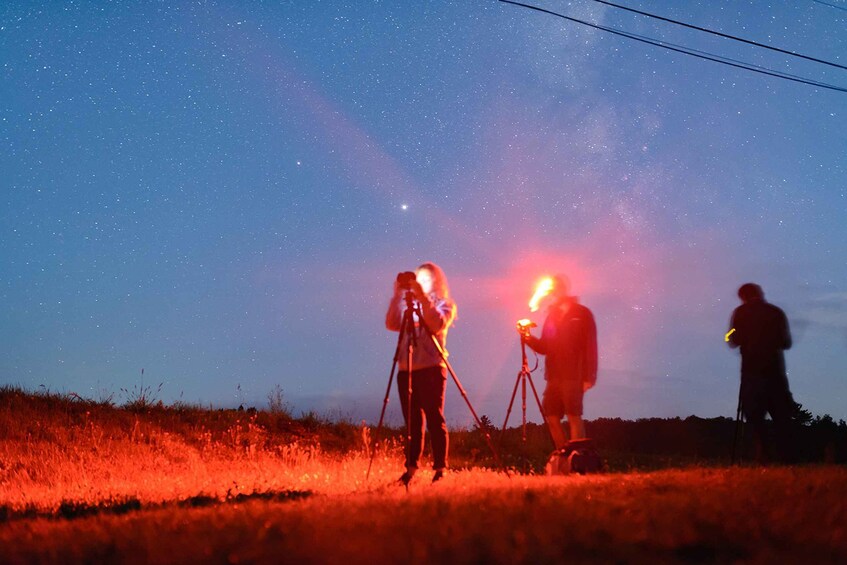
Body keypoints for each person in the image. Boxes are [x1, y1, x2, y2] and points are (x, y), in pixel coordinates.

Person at [385, 262, 457, 485]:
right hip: (406, 370)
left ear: (436, 282)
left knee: (435, 418)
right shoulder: (409, 306)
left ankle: (440, 468)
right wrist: (397, 296)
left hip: (432, 369)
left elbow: (436, 324)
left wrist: (423, 299)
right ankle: (411, 468)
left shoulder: (444, 304)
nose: (420, 283)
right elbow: (391, 323)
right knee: (412, 423)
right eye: (418, 279)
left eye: (425, 280)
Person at [522, 275, 597, 449]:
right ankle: (564, 455)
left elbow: (590, 345)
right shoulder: (552, 316)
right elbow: (545, 346)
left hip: (574, 374)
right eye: (552, 290)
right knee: (551, 415)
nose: (553, 293)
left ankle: (578, 458)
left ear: (563, 289)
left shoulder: (582, 313)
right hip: (554, 375)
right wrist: (527, 337)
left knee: (573, 414)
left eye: (556, 288)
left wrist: (589, 376)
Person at [727, 282, 795, 463]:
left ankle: (764, 455)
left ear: (743, 297)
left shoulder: (740, 313)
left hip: (752, 373)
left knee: (755, 416)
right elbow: (786, 342)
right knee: (781, 416)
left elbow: (733, 338)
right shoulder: (776, 312)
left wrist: (733, 336)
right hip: (776, 372)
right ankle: (786, 459)